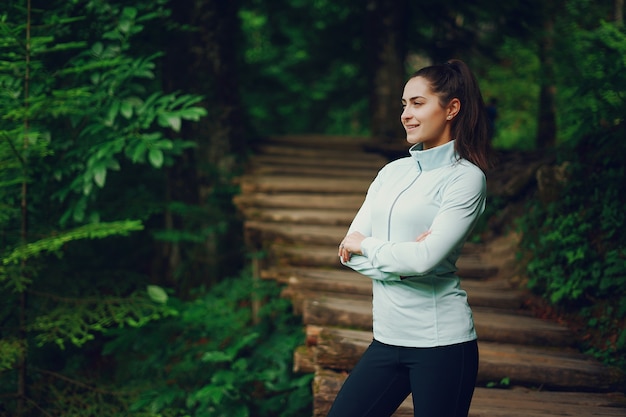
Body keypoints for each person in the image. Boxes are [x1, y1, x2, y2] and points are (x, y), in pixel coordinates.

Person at [330, 59, 493, 417]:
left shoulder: (465, 179)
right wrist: (407, 258)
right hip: (387, 340)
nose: (406, 114)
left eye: (418, 103)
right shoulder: (391, 172)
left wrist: (372, 247)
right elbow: (348, 251)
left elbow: (422, 259)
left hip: (442, 344)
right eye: (404, 105)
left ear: (451, 109)